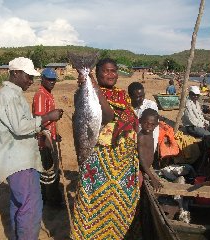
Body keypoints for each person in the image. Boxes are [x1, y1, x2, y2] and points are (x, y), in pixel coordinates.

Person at [0, 57, 63, 240]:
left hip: (20, 159)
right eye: (28, 76)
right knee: (30, 207)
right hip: (20, 161)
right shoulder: (8, 96)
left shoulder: (14, 95)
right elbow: (19, 127)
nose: (31, 81)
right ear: (15, 73)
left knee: (19, 204)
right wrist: (48, 117)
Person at [71, 58, 141, 239]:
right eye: (106, 71)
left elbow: (131, 123)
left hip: (123, 164)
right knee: (93, 202)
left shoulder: (123, 95)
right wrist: (91, 86)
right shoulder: (84, 93)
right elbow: (108, 115)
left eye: (114, 71)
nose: (111, 75)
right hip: (99, 160)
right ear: (97, 73)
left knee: (119, 205)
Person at [32, 68, 62, 207]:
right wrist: (47, 140)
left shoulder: (48, 94)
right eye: (49, 79)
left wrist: (55, 135)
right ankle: (52, 202)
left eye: (53, 79)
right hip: (45, 141)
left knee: (51, 171)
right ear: (42, 79)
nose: (52, 82)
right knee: (49, 174)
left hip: (50, 138)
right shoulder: (40, 95)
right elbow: (39, 120)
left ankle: (49, 199)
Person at [128, 81, 159, 152]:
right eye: (138, 97)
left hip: (147, 145)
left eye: (143, 96)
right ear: (130, 97)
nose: (142, 99)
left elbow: (149, 130)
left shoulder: (150, 105)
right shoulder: (127, 107)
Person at [138, 108, 162, 190]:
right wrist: (152, 177)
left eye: (152, 124)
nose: (149, 126)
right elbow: (141, 160)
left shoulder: (150, 134)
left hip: (147, 168)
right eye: (146, 123)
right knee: (139, 185)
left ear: (156, 125)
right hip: (140, 168)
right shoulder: (141, 137)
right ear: (140, 121)